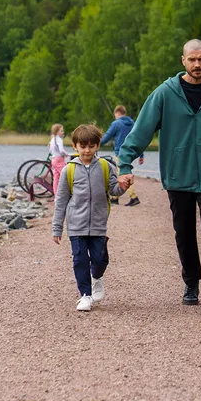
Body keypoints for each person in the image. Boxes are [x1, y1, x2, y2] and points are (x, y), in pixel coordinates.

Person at [116, 39, 201, 316]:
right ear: (183, 61)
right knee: (184, 234)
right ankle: (190, 282)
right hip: (178, 178)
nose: (196, 65)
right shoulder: (165, 94)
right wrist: (125, 162)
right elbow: (141, 130)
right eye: (191, 60)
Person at [52, 124, 128, 312]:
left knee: (100, 259)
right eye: (83, 146)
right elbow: (61, 200)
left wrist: (123, 186)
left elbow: (113, 190)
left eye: (91, 146)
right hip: (76, 225)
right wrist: (57, 228)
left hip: (98, 224)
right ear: (75, 146)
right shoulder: (68, 170)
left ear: (97, 146)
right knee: (79, 260)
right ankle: (85, 295)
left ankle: (96, 277)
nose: (87, 150)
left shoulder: (105, 167)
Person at [101, 105, 145, 206]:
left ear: (117, 113)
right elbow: (138, 139)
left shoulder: (116, 123)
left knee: (123, 174)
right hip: (131, 153)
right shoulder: (132, 123)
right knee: (119, 173)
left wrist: (96, 144)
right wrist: (141, 155)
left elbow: (107, 136)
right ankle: (115, 198)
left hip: (120, 153)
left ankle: (134, 197)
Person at [48, 123, 68, 198]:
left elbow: (50, 151)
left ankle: (56, 195)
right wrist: (66, 154)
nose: (63, 132)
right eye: (61, 131)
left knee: (56, 178)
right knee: (66, 175)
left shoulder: (52, 139)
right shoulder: (59, 140)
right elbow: (61, 150)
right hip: (59, 159)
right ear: (57, 132)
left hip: (54, 159)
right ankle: (68, 193)